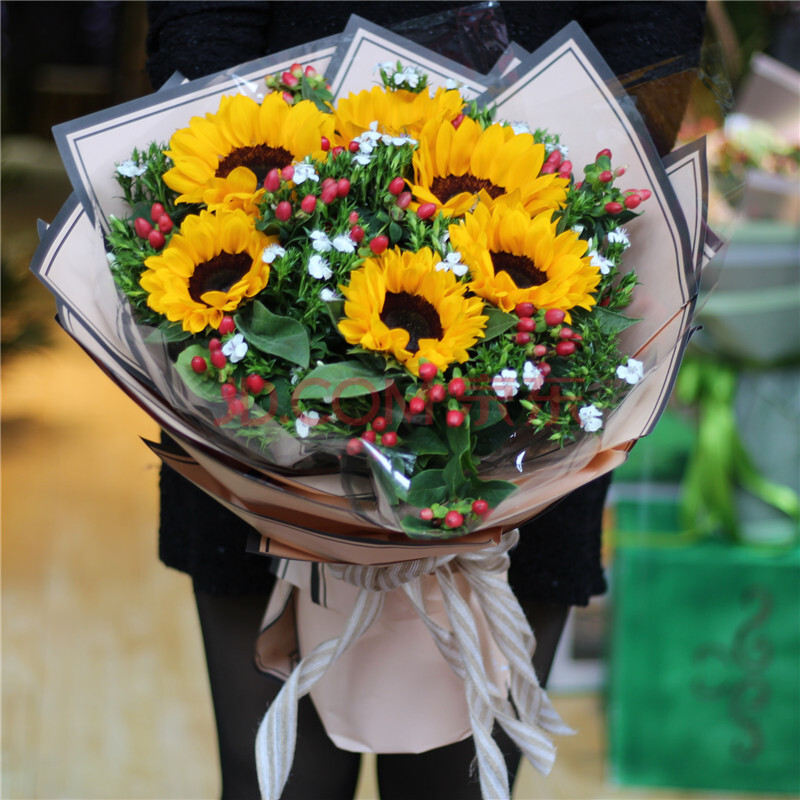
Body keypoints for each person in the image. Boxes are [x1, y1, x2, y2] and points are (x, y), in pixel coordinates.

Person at [145, 3, 707, 798]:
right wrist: (288, 286)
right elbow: (204, 33)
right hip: (254, 373)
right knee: (278, 782)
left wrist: (517, 340)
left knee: (461, 784)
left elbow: (645, 45)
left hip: (528, 391)